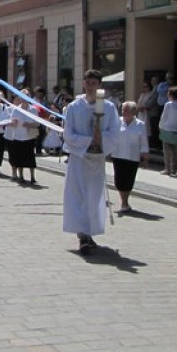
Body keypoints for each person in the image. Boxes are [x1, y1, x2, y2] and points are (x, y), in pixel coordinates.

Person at [62, 70, 119, 254]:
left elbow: (115, 131)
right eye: (88, 83)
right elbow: (68, 134)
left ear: (99, 85)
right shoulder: (74, 107)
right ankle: (82, 234)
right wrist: (88, 142)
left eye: (94, 83)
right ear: (84, 84)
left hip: (96, 160)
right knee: (78, 196)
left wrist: (100, 140)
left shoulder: (109, 108)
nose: (91, 86)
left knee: (93, 198)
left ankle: (89, 232)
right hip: (79, 158)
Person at [111, 101, 149, 214]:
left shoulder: (140, 124)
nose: (124, 112)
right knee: (118, 180)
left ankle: (125, 202)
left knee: (128, 180)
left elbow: (144, 142)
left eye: (127, 110)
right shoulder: (116, 122)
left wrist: (145, 158)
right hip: (118, 155)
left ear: (134, 112)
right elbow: (111, 137)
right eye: (123, 110)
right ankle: (123, 201)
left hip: (133, 156)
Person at [7, 93, 39, 184]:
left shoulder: (33, 109)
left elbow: (38, 123)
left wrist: (30, 124)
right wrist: (14, 122)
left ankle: (32, 177)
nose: (24, 99)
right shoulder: (16, 109)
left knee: (30, 157)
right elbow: (11, 122)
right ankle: (21, 176)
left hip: (29, 137)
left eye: (26, 97)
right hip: (18, 136)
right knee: (19, 157)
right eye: (22, 97)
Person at [158, 87, 177, 175]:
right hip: (176, 129)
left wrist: (160, 126)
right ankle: (174, 168)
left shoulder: (168, 104)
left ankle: (167, 168)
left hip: (167, 128)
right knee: (174, 150)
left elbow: (164, 116)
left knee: (167, 149)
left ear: (170, 95)